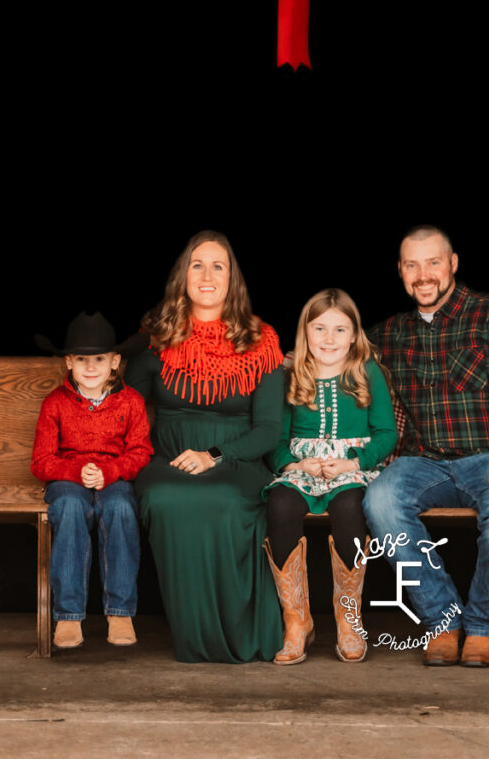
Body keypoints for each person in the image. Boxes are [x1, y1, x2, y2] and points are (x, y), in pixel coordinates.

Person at [363, 225, 489, 667]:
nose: (423, 274)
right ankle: (443, 619)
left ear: (453, 264)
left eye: (433, 262)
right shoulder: (390, 334)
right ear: (401, 272)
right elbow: (327, 350)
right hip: (422, 463)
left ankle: (483, 628)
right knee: (380, 500)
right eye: (412, 265)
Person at [123, 231, 285, 663]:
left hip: (239, 460)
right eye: (198, 265)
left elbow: (269, 428)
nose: (208, 275)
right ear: (183, 275)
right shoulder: (157, 336)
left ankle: (240, 632)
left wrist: (215, 455)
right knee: (164, 497)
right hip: (167, 461)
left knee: (227, 500)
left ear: (233, 279)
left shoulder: (260, 338)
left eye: (219, 266)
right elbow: (127, 408)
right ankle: (193, 637)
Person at [263, 289, 397, 664]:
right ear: (305, 332)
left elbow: (387, 433)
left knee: (350, 506)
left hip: (352, 468)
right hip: (304, 468)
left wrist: (354, 462)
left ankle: (348, 619)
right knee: (281, 504)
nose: (329, 338)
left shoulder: (366, 371)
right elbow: (274, 437)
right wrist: (294, 465)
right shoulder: (292, 374)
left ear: (355, 335)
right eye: (319, 328)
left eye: (340, 330)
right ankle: (296, 620)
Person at [31, 312, 153, 649]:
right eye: (82, 359)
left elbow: (141, 452)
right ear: (69, 362)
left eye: (99, 358)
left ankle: (120, 611)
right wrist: (74, 472)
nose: (90, 367)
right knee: (69, 508)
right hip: (67, 480)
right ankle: (68, 616)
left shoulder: (131, 402)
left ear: (115, 361)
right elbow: (41, 461)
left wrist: (110, 472)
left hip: (114, 479)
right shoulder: (55, 402)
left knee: (121, 510)